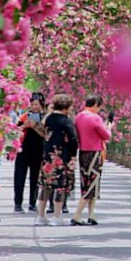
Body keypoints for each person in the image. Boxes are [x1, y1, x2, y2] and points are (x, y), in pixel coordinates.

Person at [35, 94, 78, 226]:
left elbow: (42, 129)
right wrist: (73, 156)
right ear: (66, 107)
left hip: (47, 155)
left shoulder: (49, 119)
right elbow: (73, 139)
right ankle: (57, 217)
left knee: (46, 185)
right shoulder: (66, 120)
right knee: (60, 186)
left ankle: (41, 216)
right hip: (60, 156)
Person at [72, 94, 112, 226]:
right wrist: (109, 128)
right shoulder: (95, 118)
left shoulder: (78, 117)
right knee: (92, 183)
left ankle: (91, 214)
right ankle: (77, 215)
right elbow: (106, 135)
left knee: (88, 182)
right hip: (94, 153)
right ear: (95, 105)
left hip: (83, 152)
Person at [13, 92, 46, 214]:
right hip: (23, 150)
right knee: (19, 176)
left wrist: (35, 126)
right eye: (32, 104)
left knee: (35, 177)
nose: (34, 107)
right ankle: (18, 203)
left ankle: (32, 203)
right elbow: (15, 131)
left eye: (36, 104)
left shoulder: (45, 117)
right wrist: (24, 126)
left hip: (38, 150)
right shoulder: (24, 116)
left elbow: (46, 134)